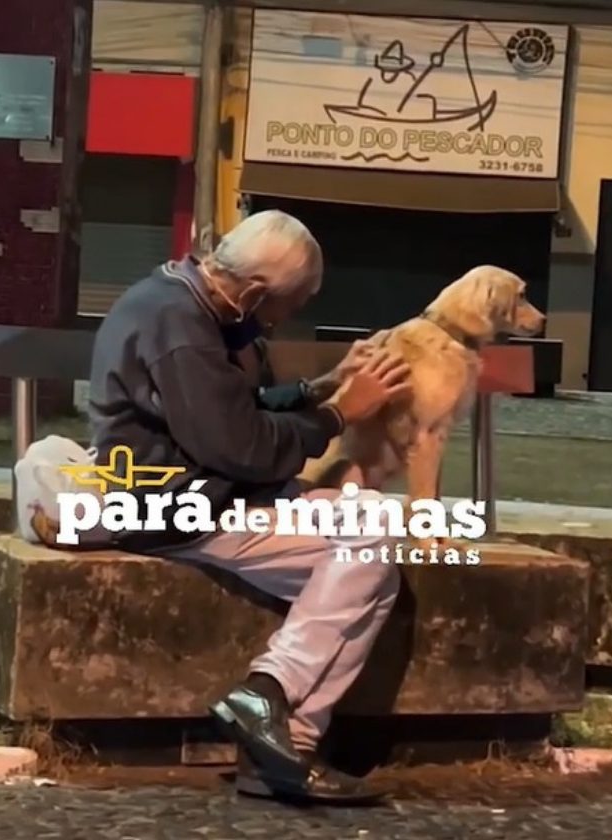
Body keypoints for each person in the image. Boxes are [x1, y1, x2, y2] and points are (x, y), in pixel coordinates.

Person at [87, 209, 412, 805]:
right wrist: (340, 416)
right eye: (287, 307)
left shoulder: (183, 299)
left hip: (206, 495)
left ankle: (280, 747)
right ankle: (270, 693)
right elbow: (243, 447)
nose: (283, 321)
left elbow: (238, 405)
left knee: (376, 560)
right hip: (180, 511)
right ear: (257, 292)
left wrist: (324, 385)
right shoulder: (178, 324)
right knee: (370, 535)